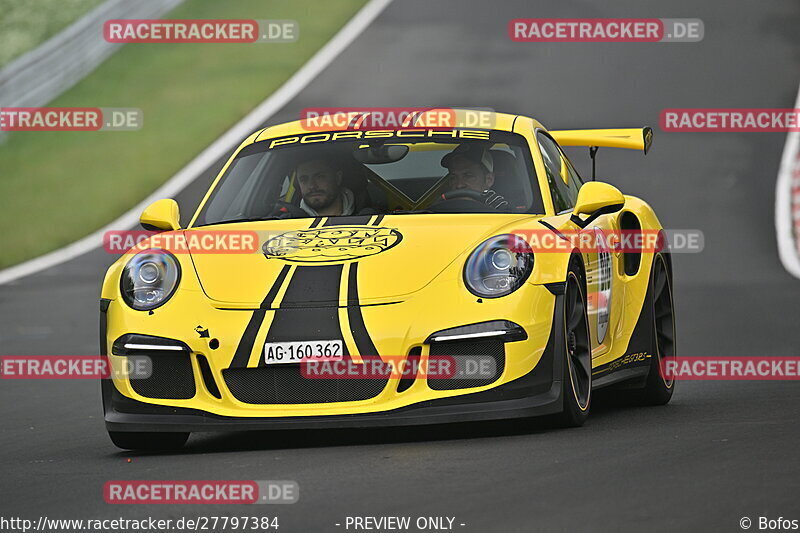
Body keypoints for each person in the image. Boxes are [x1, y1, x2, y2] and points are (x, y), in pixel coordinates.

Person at [441, 144, 507, 209]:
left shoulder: (506, 214)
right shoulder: (438, 212)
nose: (459, 185)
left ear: (489, 179)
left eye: (468, 176)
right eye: (453, 178)